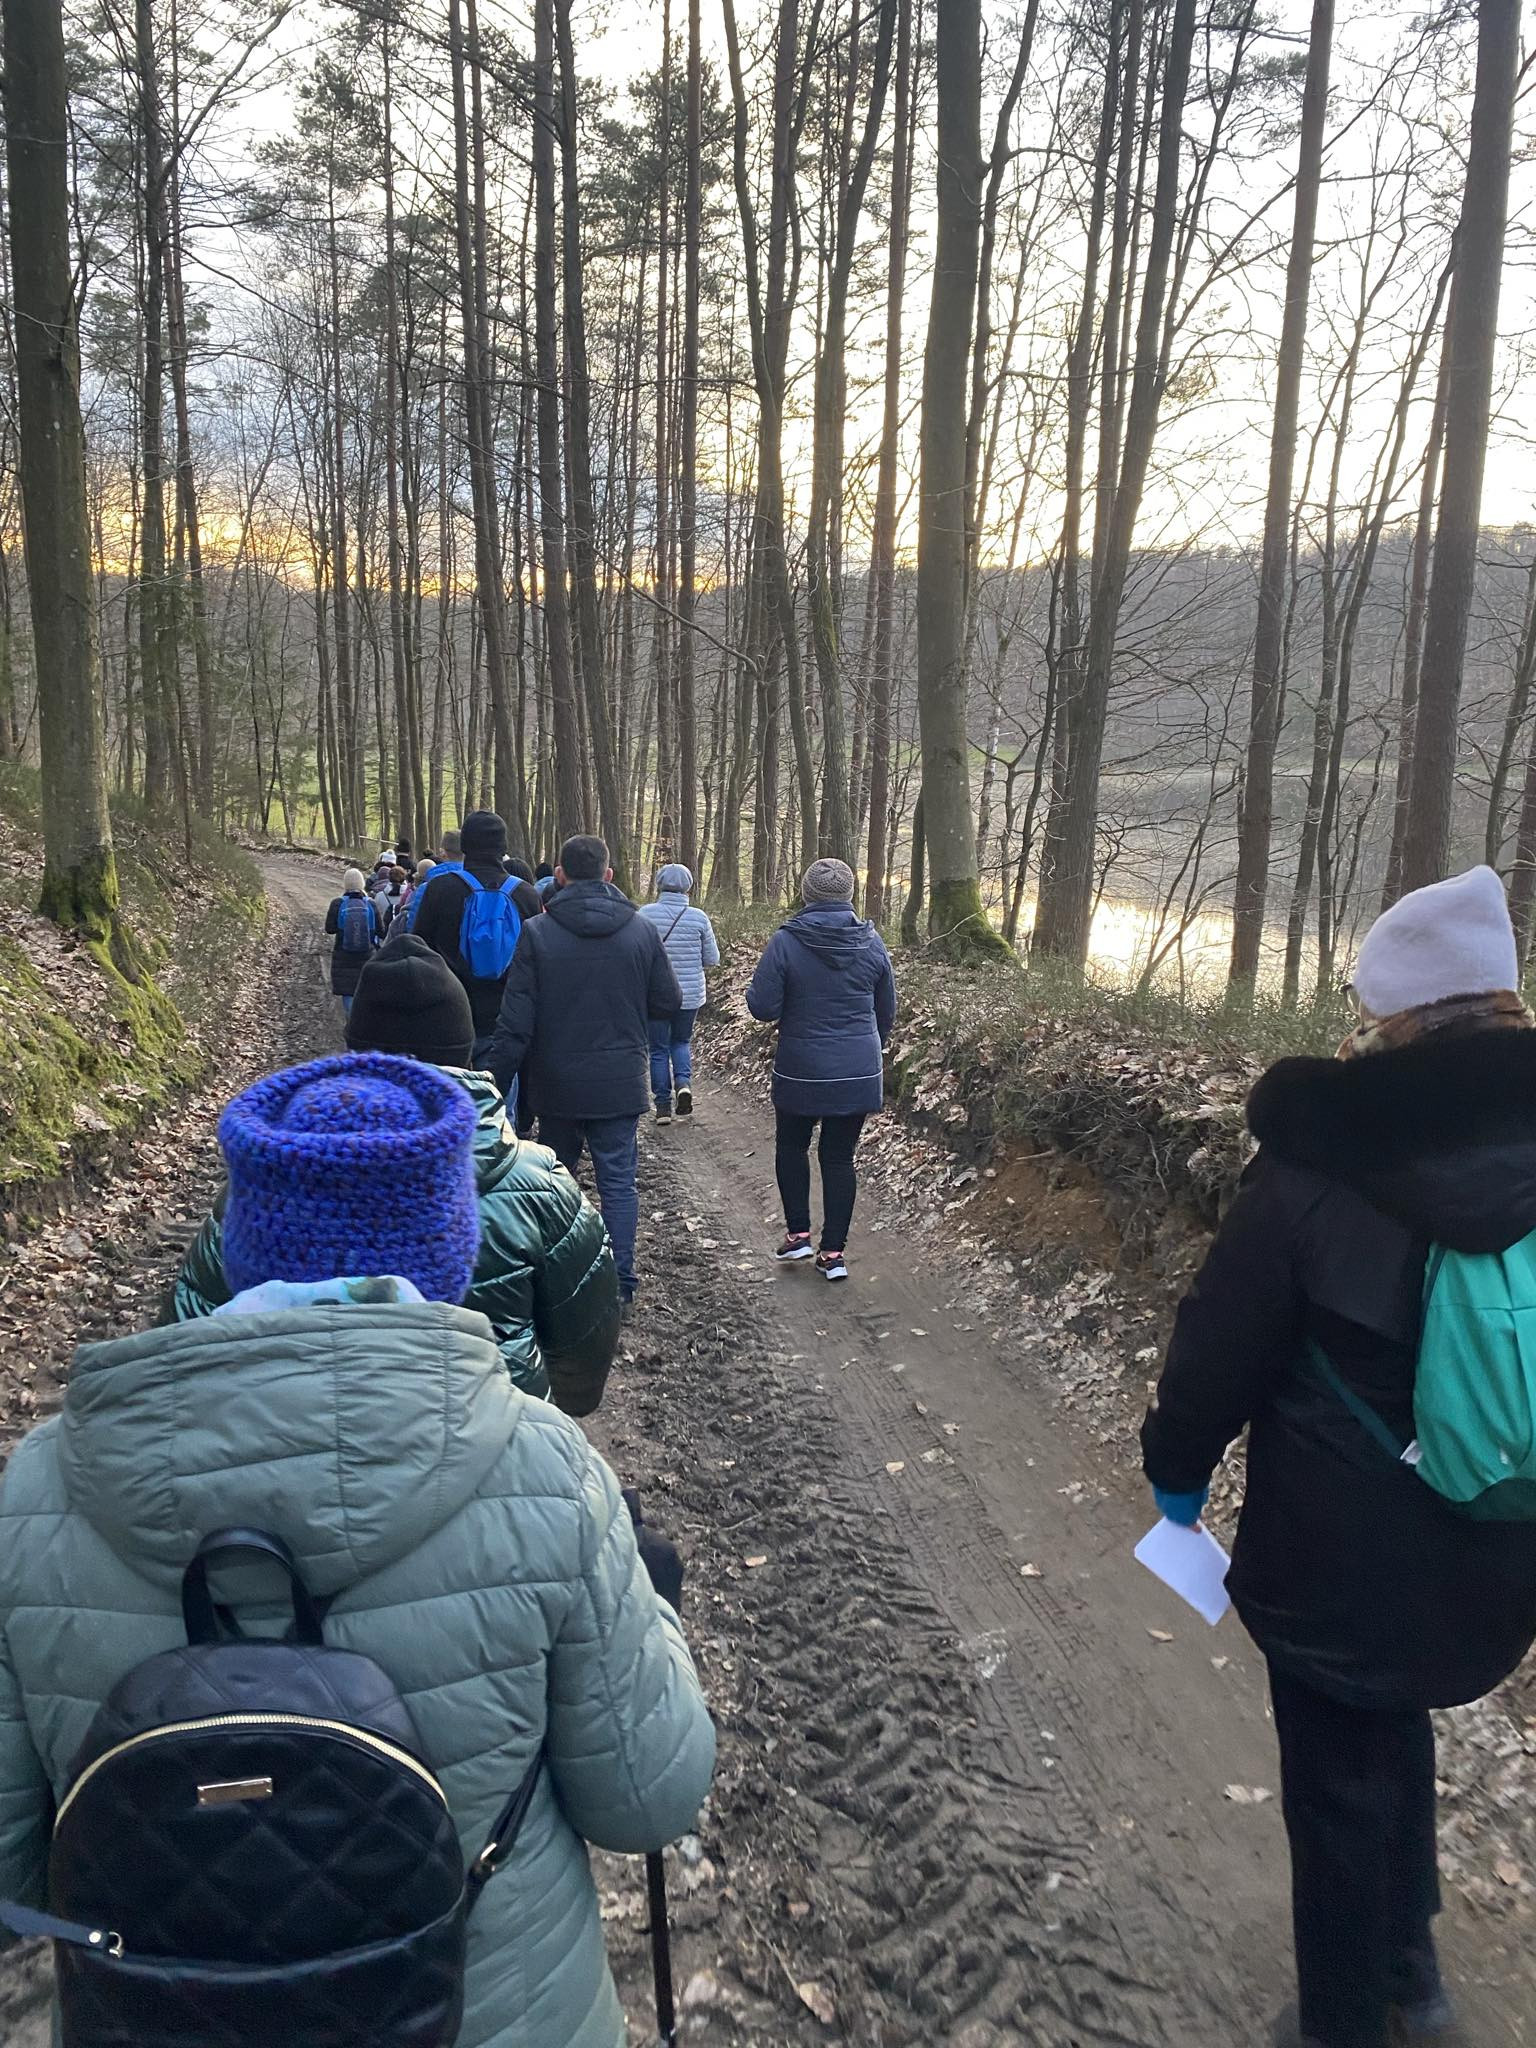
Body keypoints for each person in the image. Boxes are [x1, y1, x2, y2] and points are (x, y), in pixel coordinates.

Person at [0, 1052, 715, 2048]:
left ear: (239, 1245)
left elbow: (16, 1874)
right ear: (451, 1243)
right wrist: (658, 1606)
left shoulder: (38, 1488)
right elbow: (648, 1798)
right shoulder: (545, 1467)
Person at [1141, 865, 1536, 2048]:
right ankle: (1413, 1972)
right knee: (1396, 1723)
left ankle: (1344, 2019)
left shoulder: (1318, 1159)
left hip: (1339, 1544)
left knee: (1334, 1778)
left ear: (1391, 1011)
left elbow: (1220, 1340)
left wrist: (1176, 1477)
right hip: (1502, 1524)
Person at [171, 935, 622, 1415]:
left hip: (277, 1435)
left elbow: (186, 1342)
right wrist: (541, 1424)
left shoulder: (267, 1184)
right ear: (465, 1051)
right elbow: (583, 1364)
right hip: (495, 1430)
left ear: (355, 1050)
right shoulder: (541, 1186)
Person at [489, 835, 681, 1309]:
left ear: (559, 875)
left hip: (557, 1084)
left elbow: (515, 1024)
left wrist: (492, 1084)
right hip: (621, 1081)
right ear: (608, 875)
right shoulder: (641, 932)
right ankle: (620, 1286)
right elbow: (668, 1001)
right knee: (618, 1184)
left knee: (557, 1183)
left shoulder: (536, 933)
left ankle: (564, 1286)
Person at [746, 857, 896, 1283]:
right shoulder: (872, 942)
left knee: (792, 1145)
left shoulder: (786, 941)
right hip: (858, 1069)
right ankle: (833, 1254)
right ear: (849, 894)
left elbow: (763, 1007)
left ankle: (798, 1235)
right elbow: (886, 1012)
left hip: (801, 1067)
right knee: (839, 1156)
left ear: (806, 893)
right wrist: (867, 1049)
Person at [411, 810, 543, 1063]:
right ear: (503, 847)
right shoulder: (526, 894)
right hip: (505, 1022)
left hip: (447, 1017)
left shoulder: (440, 889)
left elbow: (418, 950)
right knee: (499, 1087)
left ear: (464, 845)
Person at [638, 864, 721, 1124]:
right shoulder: (698, 917)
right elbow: (712, 959)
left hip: (655, 995)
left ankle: (663, 1107)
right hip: (689, 993)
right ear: (688, 887)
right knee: (681, 1041)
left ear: (659, 884)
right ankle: (683, 1085)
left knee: (658, 1049)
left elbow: (636, 956)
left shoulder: (644, 915)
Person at [324, 865, 381, 1015]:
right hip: (367, 954)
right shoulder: (371, 904)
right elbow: (381, 931)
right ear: (362, 883)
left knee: (348, 992)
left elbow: (329, 929)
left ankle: (350, 1023)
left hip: (343, 954)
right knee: (365, 990)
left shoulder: (337, 903)